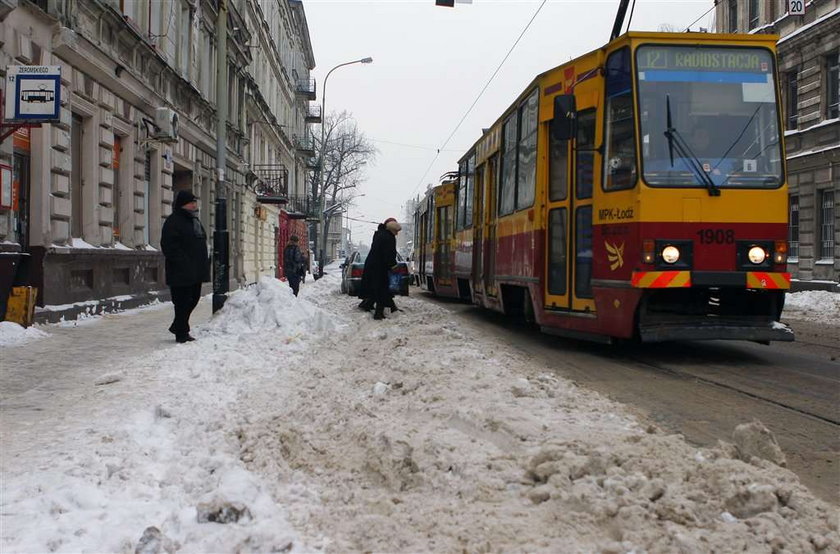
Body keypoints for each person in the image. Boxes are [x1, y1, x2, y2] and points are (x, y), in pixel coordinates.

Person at [160, 189, 210, 343]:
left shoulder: (194, 221)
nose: (195, 205)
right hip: (180, 272)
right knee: (182, 302)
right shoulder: (173, 221)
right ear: (183, 204)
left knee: (193, 299)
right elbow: (168, 246)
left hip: (195, 271)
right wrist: (183, 263)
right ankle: (181, 333)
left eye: (195, 202)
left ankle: (178, 326)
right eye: (191, 202)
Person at [358, 218, 401, 320]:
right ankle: (378, 314)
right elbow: (389, 254)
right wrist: (393, 266)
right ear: (392, 229)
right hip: (380, 268)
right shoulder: (389, 237)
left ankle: (367, 305)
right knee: (382, 290)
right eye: (396, 232)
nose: (396, 234)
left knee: (376, 289)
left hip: (373, 266)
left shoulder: (379, 234)